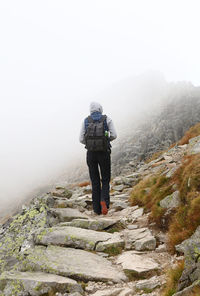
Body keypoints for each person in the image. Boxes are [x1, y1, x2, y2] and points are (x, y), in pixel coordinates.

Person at [79, 102, 117, 215]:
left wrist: (90, 143)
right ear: (100, 109)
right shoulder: (107, 119)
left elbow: (81, 139)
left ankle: (96, 209)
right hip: (104, 153)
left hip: (91, 154)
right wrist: (106, 139)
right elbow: (114, 135)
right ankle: (104, 201)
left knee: (95, 181)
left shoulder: (86, 120)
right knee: (105, 179)